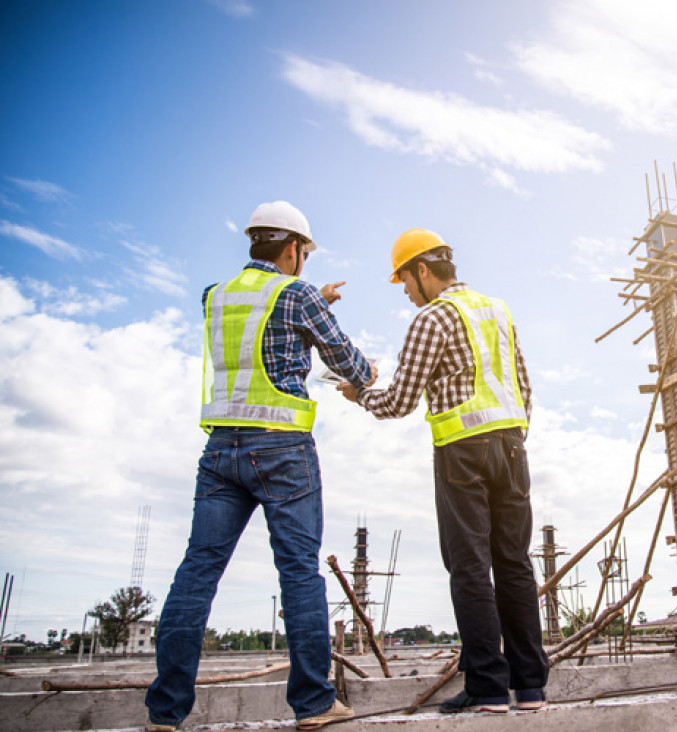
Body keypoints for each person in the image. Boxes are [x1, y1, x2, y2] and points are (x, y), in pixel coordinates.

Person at [145, 201, 374, 731]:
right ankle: (314, 705)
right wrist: (364, 371)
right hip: (282, 450)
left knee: (196, 573)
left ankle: (165, 712)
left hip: (220, 452)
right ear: (294, 249)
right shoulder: (296, 294)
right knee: (298, 572)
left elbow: (262, 319)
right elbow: (350, 362)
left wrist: (314, 300)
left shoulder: (214, 296)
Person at [337, 228, 549, 713]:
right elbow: (523, 386)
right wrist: (512, 437)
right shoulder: (497, 310)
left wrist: (360, 395)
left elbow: (398, 401)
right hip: (513, 447)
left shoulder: (431, 319)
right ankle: (531, 687)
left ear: (423, 270)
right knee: (515, 564)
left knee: (469, 565)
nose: (407, 292)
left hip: (462, 452)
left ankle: (489, 688)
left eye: (405, 282)